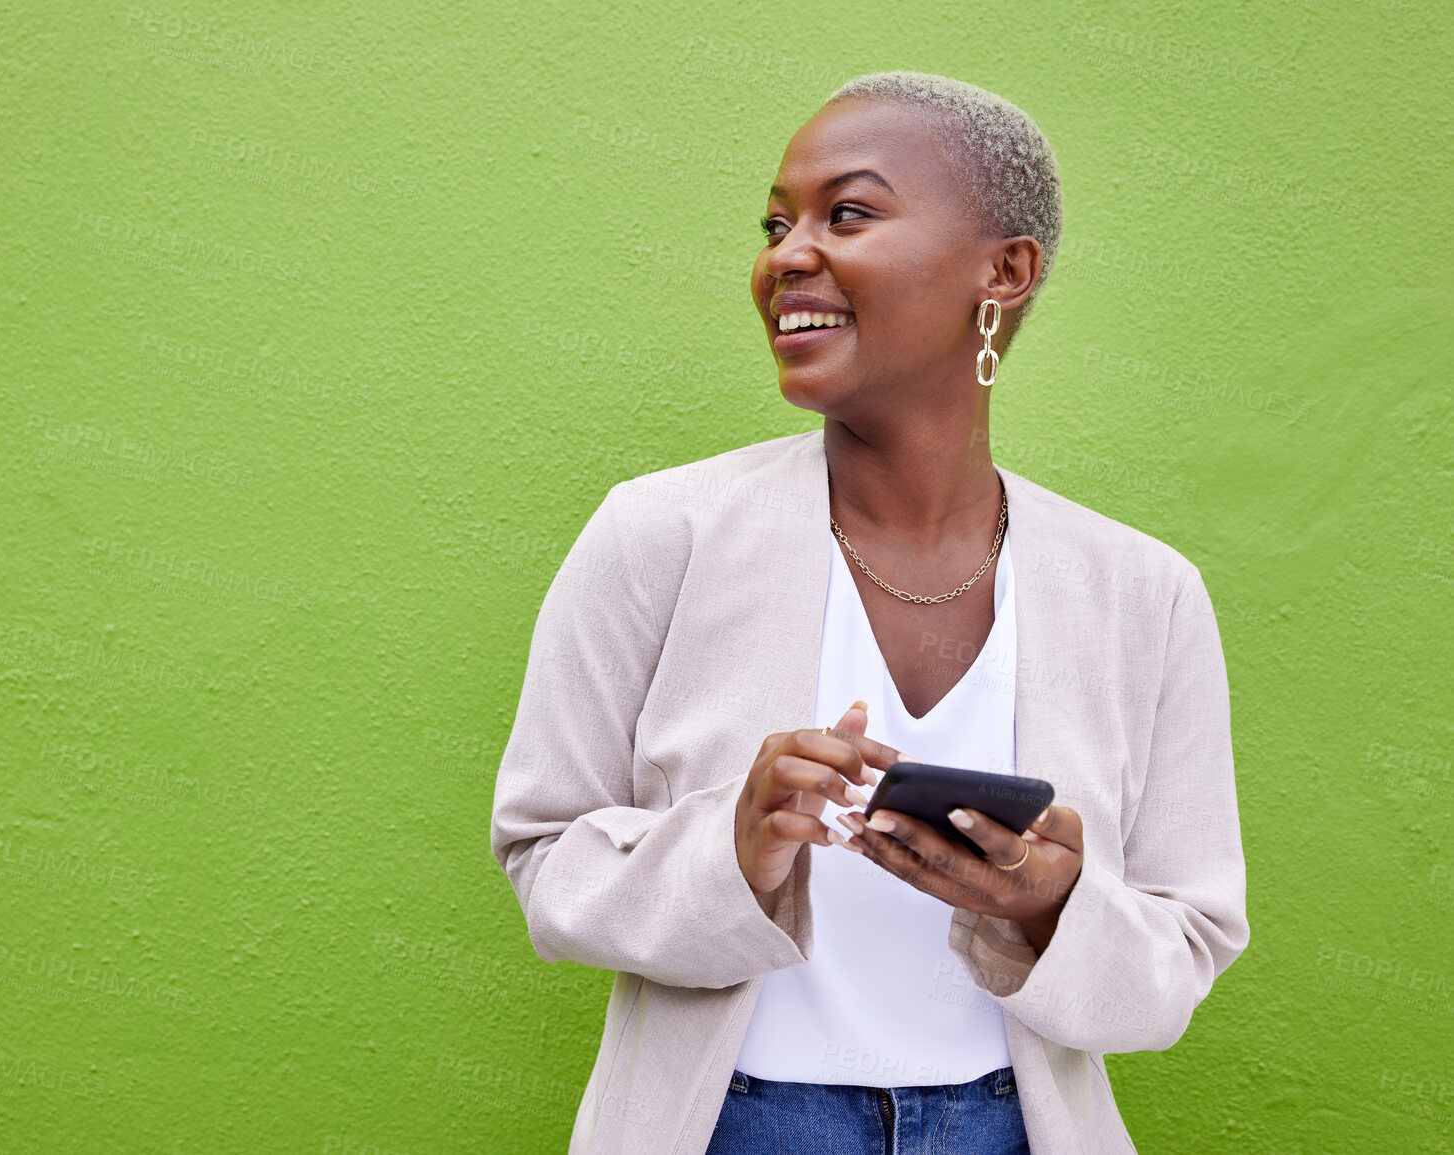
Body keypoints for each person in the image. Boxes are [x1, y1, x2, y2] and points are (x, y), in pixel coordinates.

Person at [490, 71, 1248, 1155]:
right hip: (729, 1126)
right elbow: (544, 859)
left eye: (846, 213)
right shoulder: (660, 533)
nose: (785, 256)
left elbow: (1182, 957)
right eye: (775, 223)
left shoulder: (1142, 591)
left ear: (1007, 270)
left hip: (1015, 1130)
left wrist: (1050, 905)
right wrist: (731, 847)